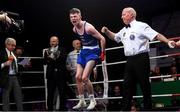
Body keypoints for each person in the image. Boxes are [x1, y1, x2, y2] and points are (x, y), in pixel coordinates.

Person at [101, 7, 176, 110]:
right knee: (126, 85)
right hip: (130, 60)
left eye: (124, 14)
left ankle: (147, 109)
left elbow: (156, 35)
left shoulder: (141, 26)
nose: (121, 16)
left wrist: (167, 41)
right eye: (122, 14)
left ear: (132, 15)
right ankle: (126, 109)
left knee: (144, 85)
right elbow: (115, 37)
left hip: (141, 58)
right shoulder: (124, 30)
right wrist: (107, 31)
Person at [69, 8, 106, 110]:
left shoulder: (88, 28)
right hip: (84, 51)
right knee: (77, 77)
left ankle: (92, 100)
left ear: (80, 16)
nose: (73, 19)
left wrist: (103, 53)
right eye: (71, 17)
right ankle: (81, 101)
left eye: (75, 16)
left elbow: (102, 38)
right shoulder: (74, 29)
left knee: (85, 77)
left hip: (94, 51)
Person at [43, 36, 68, 111]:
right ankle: (50, 109)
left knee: (62, 93)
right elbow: (45, 62)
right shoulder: (47, 50)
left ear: (57, 42)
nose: (52, 43)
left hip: (61, 75)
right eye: (51, 41)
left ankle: (62, 109)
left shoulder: (63, 49)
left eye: (53, 41)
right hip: (51, 75)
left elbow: (63, 59)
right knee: (50, 94)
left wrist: (53, 58)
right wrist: (51, 58)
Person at [0, 37, 23, 111]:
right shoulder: (1, 53)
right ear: (7, 44)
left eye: (14, 45)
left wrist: (24, 63)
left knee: (19, 97)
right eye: (12, 45)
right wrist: (4, 64)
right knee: (6, 98)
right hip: (6, 78)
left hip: (15, 77)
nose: (14, 47)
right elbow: (3, 64)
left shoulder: (14, 53)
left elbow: (16, 64)